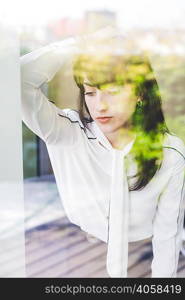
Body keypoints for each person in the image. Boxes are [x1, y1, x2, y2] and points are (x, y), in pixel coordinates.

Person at [20, 32, 185, 278]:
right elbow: (15, 79)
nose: (100, 106)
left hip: (141, 260)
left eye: (113, 91)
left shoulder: (170, 154)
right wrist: (77, 44)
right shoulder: (67, 133)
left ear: (140, 93)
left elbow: (166, 240)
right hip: (67, 257)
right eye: (90, 93)